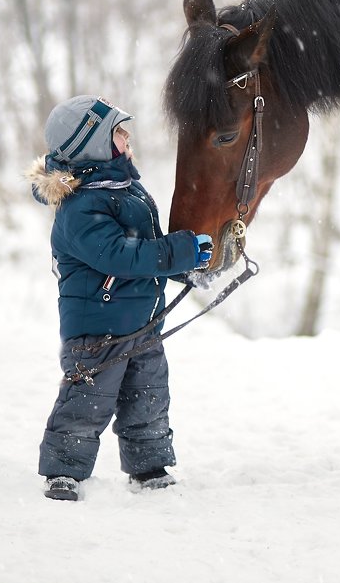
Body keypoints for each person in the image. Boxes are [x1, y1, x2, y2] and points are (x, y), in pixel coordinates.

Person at [27, 95, 212, 502]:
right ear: (91, 145)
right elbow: (120, 256)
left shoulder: (127, 189)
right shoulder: (79, 208)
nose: (127, 135)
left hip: (144, 324)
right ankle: (63, 472)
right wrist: (177, 251)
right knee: (85, 403)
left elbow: (144, 249)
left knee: (148, 398)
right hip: (97, 333)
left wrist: (185, 266)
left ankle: (149, 467)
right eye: (117, 130)